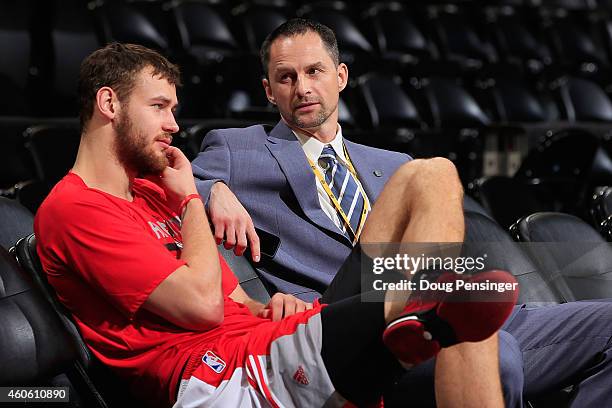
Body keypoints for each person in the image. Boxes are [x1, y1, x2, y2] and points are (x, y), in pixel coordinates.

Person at [34, 43, 517, 408]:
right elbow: (203, 309)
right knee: (464, 304)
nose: (174, 126)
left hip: (269, 336)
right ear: (109, 104)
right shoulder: (76, 208)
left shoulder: (154, 192)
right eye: (159, 107)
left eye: (173, 111)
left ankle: (409, 308)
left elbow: (235, 300)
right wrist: (193, 201)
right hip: (220, 375)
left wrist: (269, 307)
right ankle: (414, 309)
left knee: (432, 173)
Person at [191, 18, 612, 407]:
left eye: (314, 71)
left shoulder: (393, 162)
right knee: (487, 346)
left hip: (442, 299)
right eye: (287, 77)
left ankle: (436, 307)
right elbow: (165, 186)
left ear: (340, 77)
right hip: (344, 316)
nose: (301, 87)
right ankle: (427, 311)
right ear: (269, 91)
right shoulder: (237, 148)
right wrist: (215, 190)